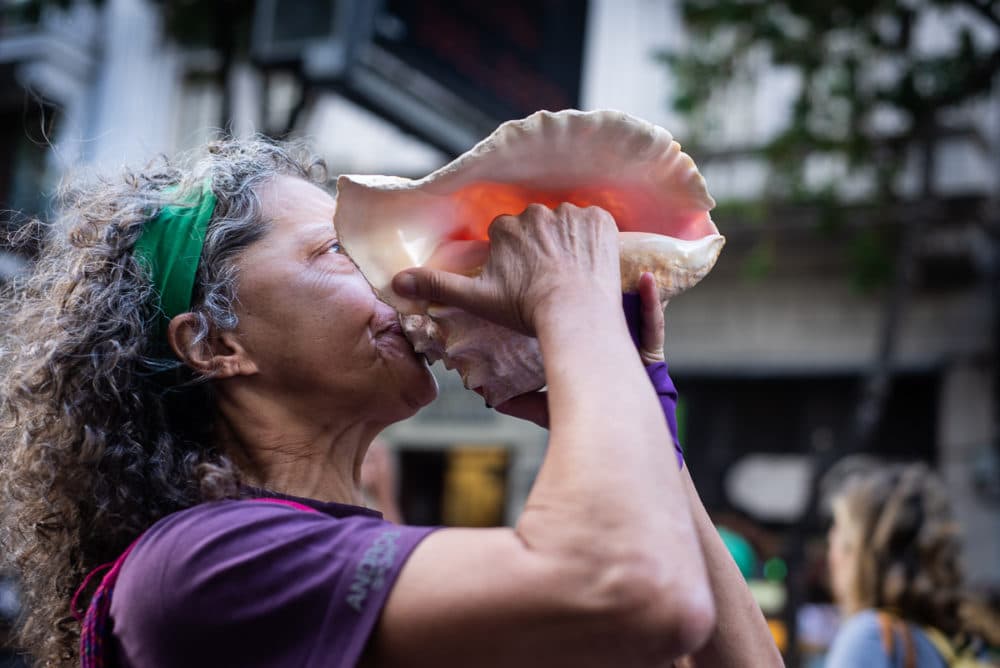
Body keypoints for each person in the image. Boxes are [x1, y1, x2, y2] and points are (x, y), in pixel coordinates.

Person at [0, 137, 781, 667]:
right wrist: (571, 306)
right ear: (214, 346)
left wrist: (638, 404)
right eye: (339, 251)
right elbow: (638, 592)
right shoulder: (203, 565)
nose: (389, 276)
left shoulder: (369, 554)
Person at [825, 463, 985, 667]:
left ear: (859, 556)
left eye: (838, 532)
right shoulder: (946, 643)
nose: (831, 555)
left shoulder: (868, 638)